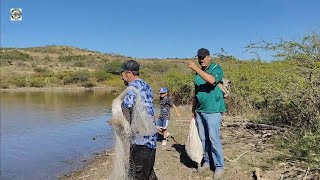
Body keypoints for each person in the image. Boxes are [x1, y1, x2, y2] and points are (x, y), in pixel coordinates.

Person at [187, 48, 226, 179]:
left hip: (213, 110)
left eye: (204, 57)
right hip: (200, 110)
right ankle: (208, 162)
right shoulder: (198, 74)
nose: (201, 59)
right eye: (199, 57)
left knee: (214, 139)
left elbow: (211, 80)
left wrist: (195, 69)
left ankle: (219, 166)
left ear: (209, 57)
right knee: (204, 139)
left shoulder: (216, 68)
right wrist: (193, 110)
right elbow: (196, 93)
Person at [116, 60, 158, 180]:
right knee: (148, 173)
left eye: (122, 74)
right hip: (151, 139)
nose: (121, 77)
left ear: (129, 73)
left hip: (141, 141)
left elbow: (127, 105)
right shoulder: (146, 85)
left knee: (139, 174)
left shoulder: (133, 87)